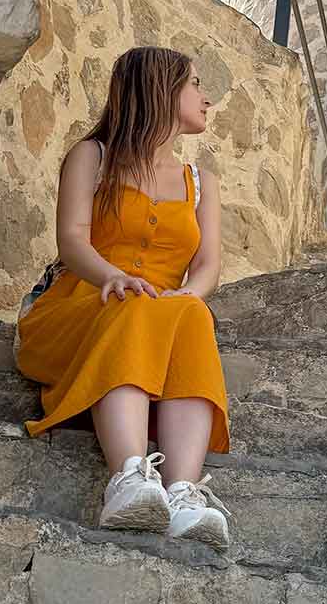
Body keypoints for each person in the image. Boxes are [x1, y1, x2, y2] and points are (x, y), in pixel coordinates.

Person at [16, 46, 232, 550]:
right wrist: (112, 276)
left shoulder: (201, 182)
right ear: (161, 91)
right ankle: (128, 479)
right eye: (195, 84)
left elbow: (207, 267)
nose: (207, 98)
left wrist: (186, 298)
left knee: (191, 314)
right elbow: (72, 240)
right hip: (81, 303)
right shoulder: (93, 156)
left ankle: (181, 493)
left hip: (159, 313)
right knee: (134, 302)